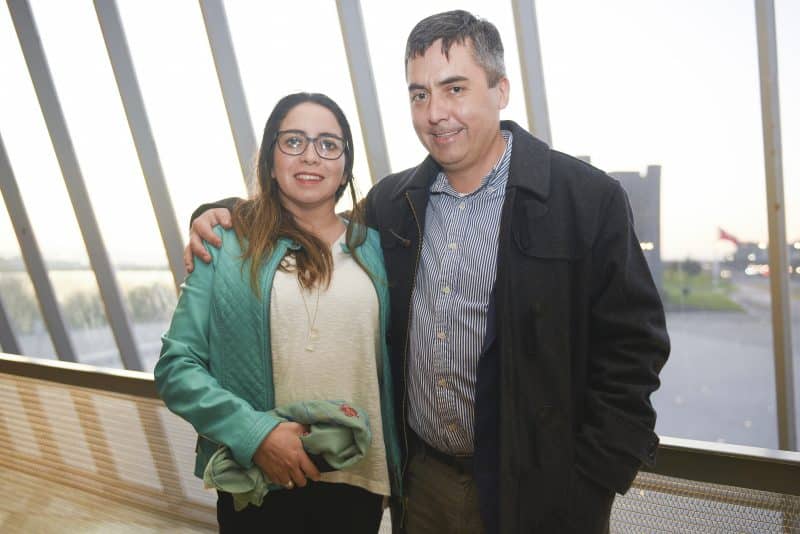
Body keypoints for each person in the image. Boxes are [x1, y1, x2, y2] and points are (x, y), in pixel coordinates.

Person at [186, 10, 669, 534]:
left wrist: (591, 482)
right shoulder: (393, 204)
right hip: (423, 487)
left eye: (454, 88)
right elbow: (310, 224)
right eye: (419, 95)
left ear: (501, 90)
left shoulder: (586, 200)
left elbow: (634, 350)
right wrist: (220, 213)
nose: (435, 113)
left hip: (540, 494)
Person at [156, 92, 401, 534]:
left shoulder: (380, 252)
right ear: (270, 161)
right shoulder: (225, 246)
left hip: (357, 484)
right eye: (293, 141)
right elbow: (176, 366)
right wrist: (255, 434)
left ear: (345, 166)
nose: (311, 155)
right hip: (256, 482)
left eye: (328, 144)